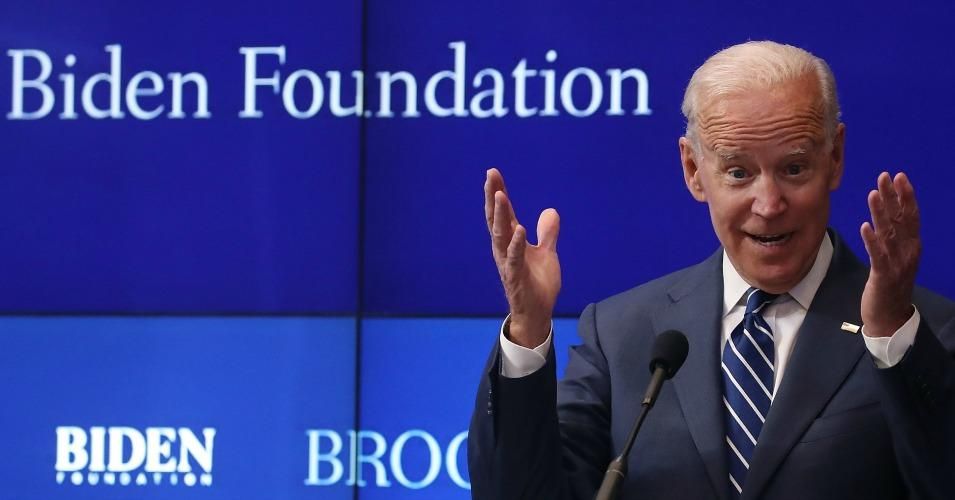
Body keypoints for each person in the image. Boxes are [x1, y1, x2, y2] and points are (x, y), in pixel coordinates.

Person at [468, 41, 955, 500]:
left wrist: (892, 337)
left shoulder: (926, 335)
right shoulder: (622, 334)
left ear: (834, 158)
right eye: (739, 172)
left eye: (793, 168)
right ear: (694, 169)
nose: (768, 204)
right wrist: (529, 330)